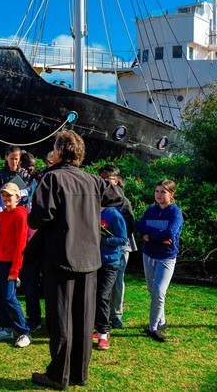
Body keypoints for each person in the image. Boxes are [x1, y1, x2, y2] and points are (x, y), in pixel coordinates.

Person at [27, 130, 123, 390]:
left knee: (61, 320)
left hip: (61, 257)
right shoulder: (92, 180)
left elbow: (38, 217)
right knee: (82, 319)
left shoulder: (51, 179)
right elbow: (118, 196)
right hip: (89, 260)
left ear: (59, 152)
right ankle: (79, 373)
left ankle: (59, 376)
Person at [136, 179, 183, 343]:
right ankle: (161, 321)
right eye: (157, 191)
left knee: (158, 291)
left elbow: (170, 232)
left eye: (163, 192)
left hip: (166, 258)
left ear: (171, 194)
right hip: (148, 254)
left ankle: (153, 328)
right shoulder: (151, 210)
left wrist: (150, 236)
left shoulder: (175, 212)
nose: (159, 195)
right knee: (151, 289)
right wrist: (158, 233)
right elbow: (140, 225)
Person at [0, 182, 32, 348]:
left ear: (17, 198)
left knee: (9, 297)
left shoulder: (21, 215)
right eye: (3, 195)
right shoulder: (1, 215)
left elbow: (21, 245)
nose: (6, 198)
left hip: (10, 263)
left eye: (9, 195)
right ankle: (6, 328)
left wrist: (15, 269)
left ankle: (24, 331)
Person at [99, 165, 137, 329]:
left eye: (109, 180)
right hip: (101, 247)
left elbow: (130, 224)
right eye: (103, 180)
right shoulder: (99, 198)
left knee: (117, 281)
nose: (107, 183)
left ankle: (116, 315)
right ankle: (101, 315)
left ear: (117, 180)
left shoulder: (122, 200)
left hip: (119, 246)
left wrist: (111, 237)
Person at [93, 205, 127, 350]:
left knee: (102, 296)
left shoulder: (114, 215)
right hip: (91, 261)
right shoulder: (90, 209)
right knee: (91, 296)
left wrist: (103, 239)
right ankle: (94, 328)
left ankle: (103, 333)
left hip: (110, 263)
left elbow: (122, 239)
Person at [0, 146, 30, 212]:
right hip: (4, 208)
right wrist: (0, 207)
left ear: (19, 158)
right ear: (6, 157)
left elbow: (28, 191)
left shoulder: (24, 174)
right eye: (12, 159)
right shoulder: (1, 174)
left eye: (16, 159)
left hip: (19, 209)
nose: (14, 161)